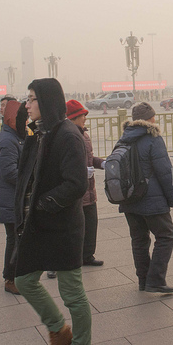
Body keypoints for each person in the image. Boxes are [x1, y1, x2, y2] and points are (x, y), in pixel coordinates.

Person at [14, 78, 91, 345]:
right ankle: (59, 329)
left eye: (32, 99)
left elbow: (77, 183)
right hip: (38, 224)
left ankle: (80, 341)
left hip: (62, 227)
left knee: (72, 294)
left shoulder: (68, 135)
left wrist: (45, 203)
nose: (27, 105)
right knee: (24, 280)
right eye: (27, 99)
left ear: (46, 101)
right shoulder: (38, 133)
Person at [117, 102, 173, 293]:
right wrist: (172, 199)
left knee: (139, 240)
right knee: (166, 236)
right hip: (152, 200)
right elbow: (165, 172)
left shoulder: (123, 139)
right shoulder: (153, 138)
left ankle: (143, 280)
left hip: (128, 199)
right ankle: (156, 280)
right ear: (151, 118)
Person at [0, 100, 27, 295]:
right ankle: (10, 279)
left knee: (17, 239)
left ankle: (16, 275)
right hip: (9, 201)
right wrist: (29, 178)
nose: (26, 123)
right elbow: (9, 173)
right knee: (14, 240)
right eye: (24, 119)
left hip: (14, 200)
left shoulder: (15, 137)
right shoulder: (7, 141)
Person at [67, 99, 105, 266]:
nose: (85, 119)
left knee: (91, 224)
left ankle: (87, 256)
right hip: (77, 190)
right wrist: (82, 172)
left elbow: (89, 158)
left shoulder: (85, 135)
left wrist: (102, 163)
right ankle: (68, 259)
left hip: (90, 189)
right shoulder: (68, 137)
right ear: (74, 117)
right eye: (83, 115)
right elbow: (67, 162)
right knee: (74, 229)